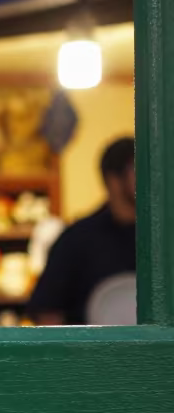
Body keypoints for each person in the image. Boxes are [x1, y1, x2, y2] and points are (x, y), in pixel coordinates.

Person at [28, 137, 136, 325]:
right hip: (94, 353)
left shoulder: (162, 238)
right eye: (139, 171)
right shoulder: (76, 240)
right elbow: (46, 311)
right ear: (114, 180)